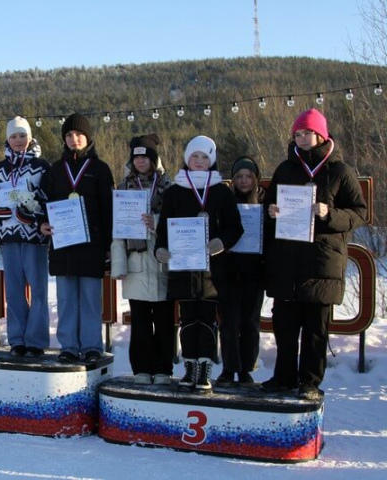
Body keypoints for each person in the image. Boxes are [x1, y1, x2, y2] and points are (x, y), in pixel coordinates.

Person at [262, 108, 367, 400]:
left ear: (320, 134)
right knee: (284, 327)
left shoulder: (340, 172)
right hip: (286, 262)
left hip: (321, 263)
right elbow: (268, 206)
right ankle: (283, 378)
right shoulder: (285, 169)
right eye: (297, 133)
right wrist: (270, 213)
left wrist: (329, 214)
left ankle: (309, 382)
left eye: (306, 133)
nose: (301, 138)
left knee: (315, 330)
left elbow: (359, 214)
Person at [155, 136, 244, 392]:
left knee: (207, 320)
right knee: (187, 320)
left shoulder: (221, 191)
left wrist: (222, 242)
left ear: (212, 161)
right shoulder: (174, 192)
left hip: (212, 271)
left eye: (205, 157)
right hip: (183, 269)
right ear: (187, 159)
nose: (199, 162)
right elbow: (163, 228)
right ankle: (189, 367)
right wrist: (160, 249)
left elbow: (235, 227)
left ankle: (204, 368)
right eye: (195, 156)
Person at [39, 113, 114, 364]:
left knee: (91, 299)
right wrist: (43, 224)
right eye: (69, 135)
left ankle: (92, 345)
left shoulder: (100, 170)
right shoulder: (55, 169)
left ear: (88, 137)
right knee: (66, 299)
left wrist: (108, 246)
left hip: (91, 245)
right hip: (63, 245)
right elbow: (44, 202)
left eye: (79, 135)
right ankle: (69, 345)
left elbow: (108, 211)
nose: (74, 139)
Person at [110, 134, 174, 384]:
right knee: (140, 321)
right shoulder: (124, 187)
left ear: (153, 159)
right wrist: (119, 265)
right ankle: (142, 369)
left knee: (165, 321)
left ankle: (163, 369)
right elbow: (117, 230)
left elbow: (177, 224)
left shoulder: (169, 187)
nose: (140, 161)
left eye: (145, 156)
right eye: (136, 157)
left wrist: (156, 222)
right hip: (135, 263)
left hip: (162, 263)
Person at [0, 117, 51, 357]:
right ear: (7, 139)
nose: (18, 141)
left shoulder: (41, 165)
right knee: (13, 290)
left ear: (29, 137)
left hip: (34, 235)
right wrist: (1, 210)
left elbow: (47, 199)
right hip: (8, 235)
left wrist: (31, 213)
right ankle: (17, 340)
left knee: (38, 290)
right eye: (14, 136)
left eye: (22, 135)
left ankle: (35, 341)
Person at [215, 156, 265, 387]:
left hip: (255, 272)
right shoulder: (226, 200)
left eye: (248, 176)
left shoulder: (266, 201)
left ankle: (246, 368)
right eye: (239, 176)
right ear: (233, 179)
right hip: (229, 271)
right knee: (229, 323)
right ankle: (229, 368)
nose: (244, 181)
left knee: (250, 323)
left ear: (256, 178)